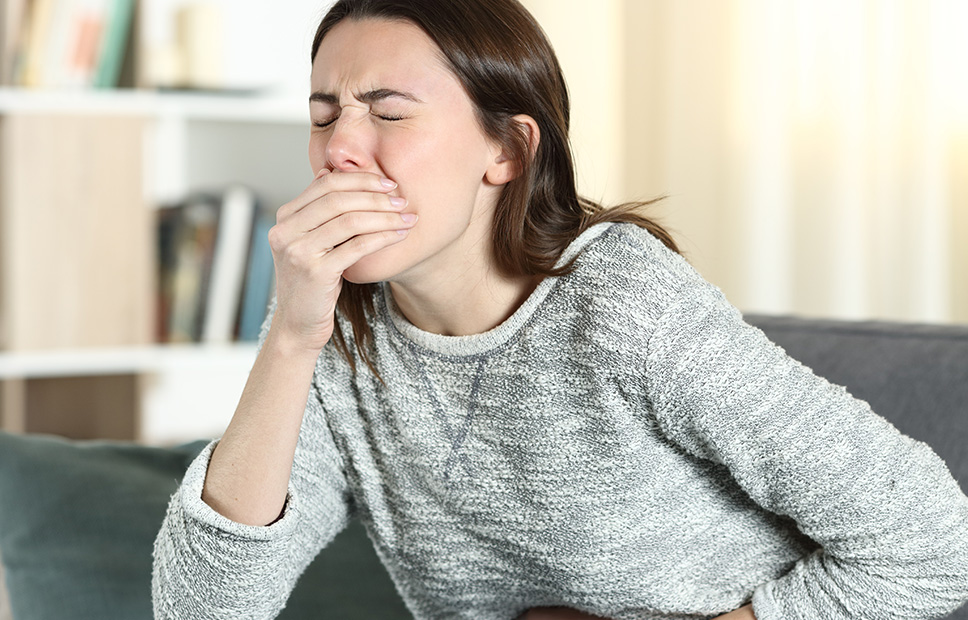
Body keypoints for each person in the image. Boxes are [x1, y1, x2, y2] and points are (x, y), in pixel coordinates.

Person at [152, 0, 968, 618]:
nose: (339, 149)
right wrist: (291, 339)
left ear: (508, 149)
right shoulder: (329, 327)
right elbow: (203, 609)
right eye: (323, 115)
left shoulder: (623, 304)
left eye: (389, 112)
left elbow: (933, 541)